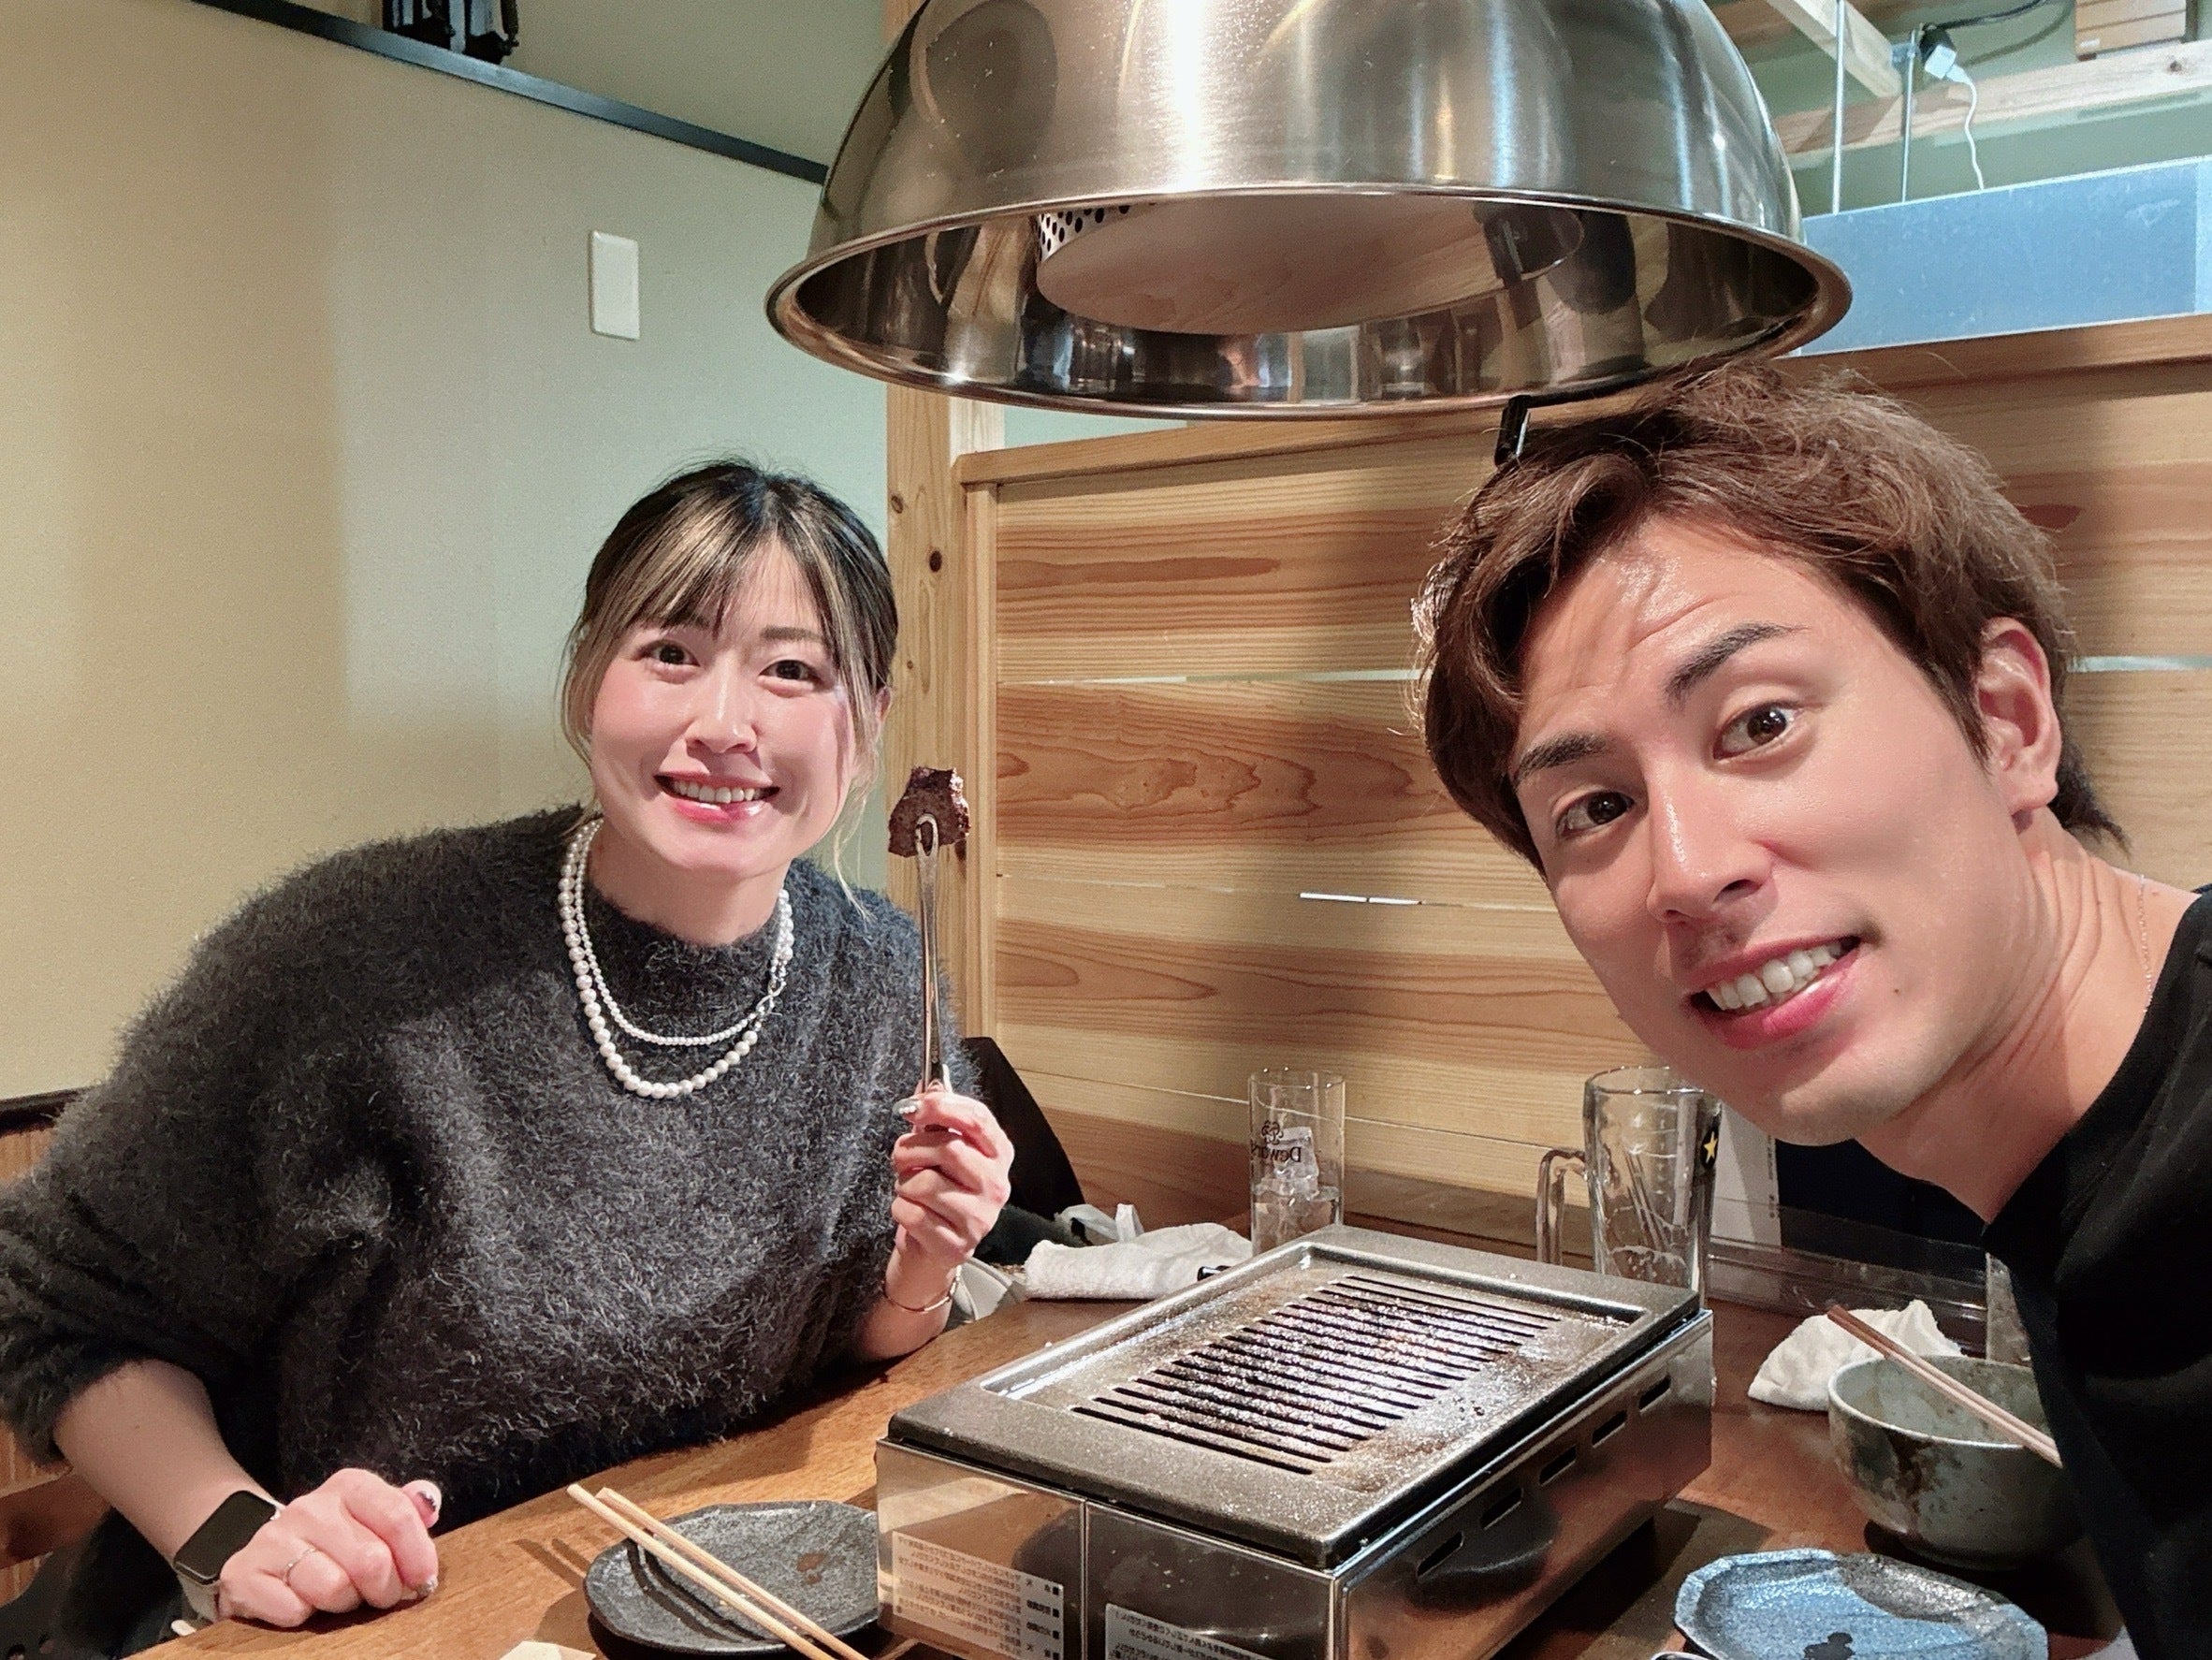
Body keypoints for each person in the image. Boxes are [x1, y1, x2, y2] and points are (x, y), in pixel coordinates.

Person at [0, 461, 1013, 1653]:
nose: (724, 723)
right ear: (587, 676)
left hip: (712, 1609)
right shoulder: (358, 954)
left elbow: (854, 1340)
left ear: (870, 719)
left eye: (792, 670)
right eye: (672, 651)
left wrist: (923, 1270)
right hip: (333, 1627)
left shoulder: (882, 975)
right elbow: (52, 1302)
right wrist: (235, 1535)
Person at [1414, 366, 2206, 1655]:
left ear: (2006, 720)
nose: (1687, 870)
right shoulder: (2084, 1201)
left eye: (1760, 722)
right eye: (1596, 807)